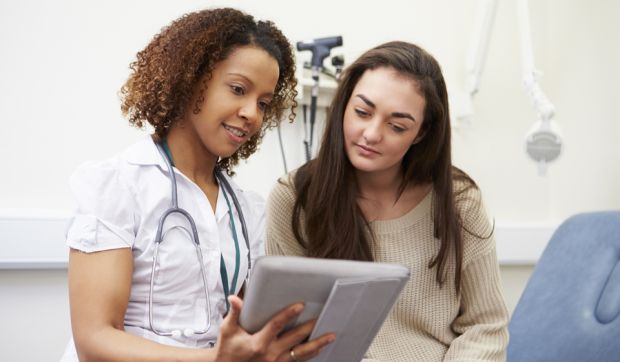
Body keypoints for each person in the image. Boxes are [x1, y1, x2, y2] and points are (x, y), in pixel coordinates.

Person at [62, 8, 334, 362]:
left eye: (263, 103)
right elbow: (94, 340)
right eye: (238, 89)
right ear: (190, 79)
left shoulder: (245, 209)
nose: (252, 113)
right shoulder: (117, 185)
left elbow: (240, 327)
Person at [265, 41, 509, 361]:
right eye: (362, 112)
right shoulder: (295, 198)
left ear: (421, 133)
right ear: (343, 105)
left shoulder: (460, 202)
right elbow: (289, 333)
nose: (371, 133)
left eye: (397, 126)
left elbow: (486, 326)